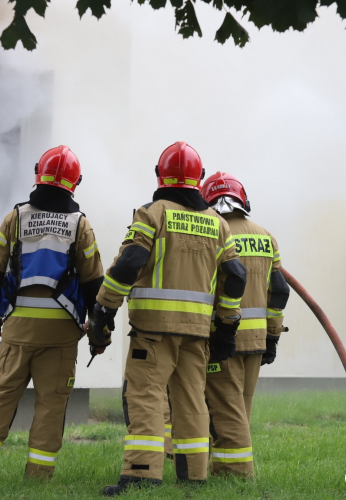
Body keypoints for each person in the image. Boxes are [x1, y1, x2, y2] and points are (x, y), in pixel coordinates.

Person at [96, 142, 247, 496]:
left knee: (146, 396)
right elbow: (236, 276)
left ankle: (141, 474)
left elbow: (129, 264)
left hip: (153, 331)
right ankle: (194, 474)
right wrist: (227, 326)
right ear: (200, 178)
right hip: (197, 333)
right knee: (192, 399)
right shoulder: (217, 223)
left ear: (159, 175)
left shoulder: (152, 214)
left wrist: (105, 307)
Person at [0, 145, 107, 480]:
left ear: (37, 174)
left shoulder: (15, 218)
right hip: (61, 335)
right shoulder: (80, 225)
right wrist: (100, 334)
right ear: (76, 182)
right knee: (51, 404)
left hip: (17, 330)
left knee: (1, 399)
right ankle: (38, 478)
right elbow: (94, 287)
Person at [200, 172, 290, 478]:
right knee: (241, 408)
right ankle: (224, 466)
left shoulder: (213, 231)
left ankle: (233, 472)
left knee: (225, 408)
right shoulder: (266, 236)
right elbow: (279, 291)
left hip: (223, 335)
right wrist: (273, 336)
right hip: (256, 339)